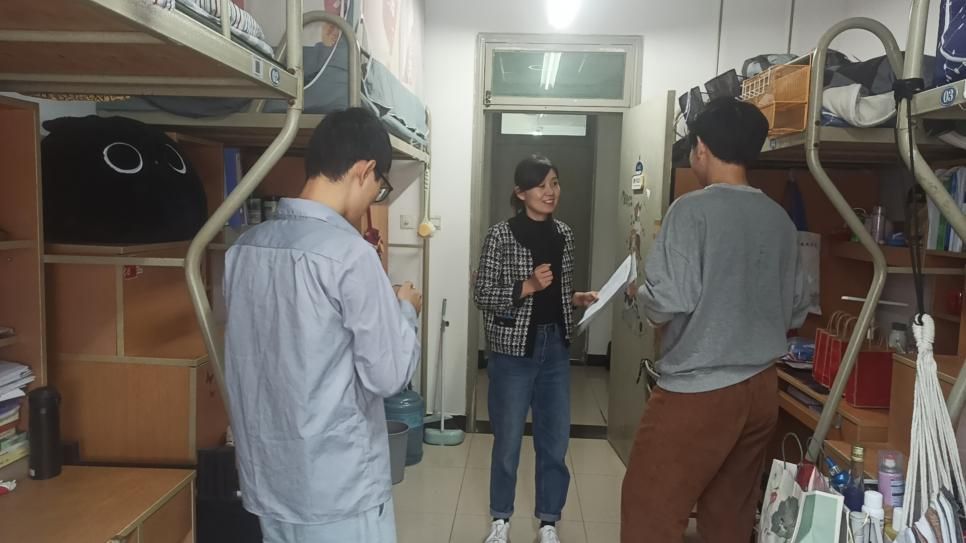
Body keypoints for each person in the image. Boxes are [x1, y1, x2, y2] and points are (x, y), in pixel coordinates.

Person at [223, 108, 421, 543]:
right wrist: (404, 311)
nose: (373, 199)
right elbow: (387, 376)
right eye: (378, 187)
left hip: (268, 480)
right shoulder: (350, 256)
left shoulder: (243, 249)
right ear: (364, 170)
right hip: (338, 488)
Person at [620, 98, 809, 542]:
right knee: (730, 515)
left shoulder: (691, 211)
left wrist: (638, 293)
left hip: (699, 392)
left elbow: (667, 302)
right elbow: (797, 308)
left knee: (649, 511)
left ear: (701, 147)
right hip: (761, 390)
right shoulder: (779, 220)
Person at [474, 155, 598, 543]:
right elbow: (482, 294)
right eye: (541, 185)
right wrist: (525, 286)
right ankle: (501, 519)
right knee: (508, 442)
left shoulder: (565, 234)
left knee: (554, 441)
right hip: (512, 353)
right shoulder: (500, 235)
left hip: (555, 348)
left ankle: (548, 522)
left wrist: (576, 298)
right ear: (520, 192)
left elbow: (557, 292)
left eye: (555, 183)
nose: (550, 192)